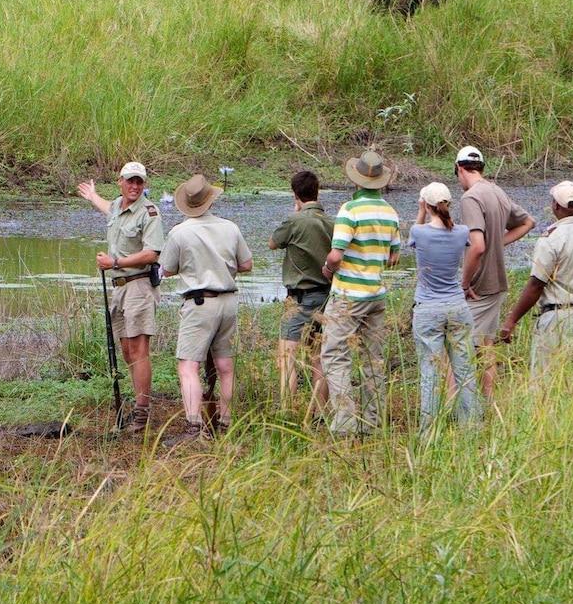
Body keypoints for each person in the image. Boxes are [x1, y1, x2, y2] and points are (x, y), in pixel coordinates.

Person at [157, 172, 253, 437]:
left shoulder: (180, 232)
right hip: (228, 302)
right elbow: (246, 264)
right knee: (225, 366)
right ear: (210, 200)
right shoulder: (230, 227)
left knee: (188, 366)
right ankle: (225, 422)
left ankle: (193, 425)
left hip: (199, 303)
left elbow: (167, 269)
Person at [77, 161, 168, 433]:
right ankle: (139, 406)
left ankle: (142, 414)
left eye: (139, 182)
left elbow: (152, 254)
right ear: (121, 181)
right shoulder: (118, 205)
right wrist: (92, 196)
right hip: (120, 288)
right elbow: (108, 208)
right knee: (128, 351)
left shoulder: (150, 212)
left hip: (139, 286)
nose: (135, 186)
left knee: (139, 350)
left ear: (144, 184)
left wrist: (114, 261)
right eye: (130, 181)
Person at [319, 149, 402, 437]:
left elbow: (335, 254)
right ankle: (372, 422)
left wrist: (328, 270)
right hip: (375, 295)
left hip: (348, 296)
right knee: (373, 360)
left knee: (334, 355)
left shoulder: (349, 211)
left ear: (356, 181)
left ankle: (344, 421)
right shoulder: (391, 213)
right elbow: (393, 258)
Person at [500, 181, 573, 378]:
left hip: (557, 319)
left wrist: (511, 320)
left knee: (546, 382)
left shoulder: (551, 238)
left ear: (555, 206)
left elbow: (536, 285)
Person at [453, 145, 535, 401]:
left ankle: (463, 406)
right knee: (486, 345)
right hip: (498, 282)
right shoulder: (496, 191)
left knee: (460, 347)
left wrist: (464, 283)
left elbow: (476, 247)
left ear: (458, 169)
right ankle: (489, 401)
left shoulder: (471, 198)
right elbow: (528, 222)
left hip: (480, 285)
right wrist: (499, 242)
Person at [405, 182, 481, 426]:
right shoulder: (462, 232)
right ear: (448, 204)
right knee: (465, 371)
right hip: (457, 307)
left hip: (428, 308)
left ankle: (429, 431)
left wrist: (420, 212)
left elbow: (413, 235)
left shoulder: (420, 232)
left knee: (430, 373)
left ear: (427, 206)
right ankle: (471, 427)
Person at [268, 167, 332, 421]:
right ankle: (320, 414)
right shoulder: (332, 222)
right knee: (318, 357)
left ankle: (287, 413)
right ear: (317, 192)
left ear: (296, 195)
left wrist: (295, 214)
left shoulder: (294, 221)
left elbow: (273, 243)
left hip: (300, 298)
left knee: (287, 357)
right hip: (326, 296)